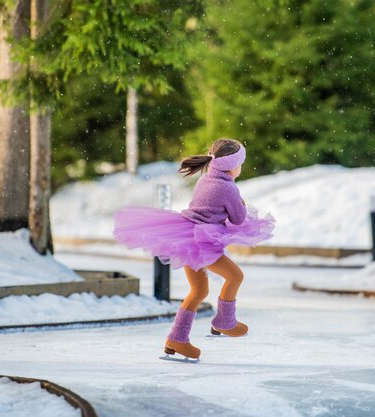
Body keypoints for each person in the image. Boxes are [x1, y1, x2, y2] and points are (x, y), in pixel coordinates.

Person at [114, 138, 274, 359]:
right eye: (241, 163)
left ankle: (176, 340)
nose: (241, 168)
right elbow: (237, 219)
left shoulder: (206, 179)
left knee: (198, 291)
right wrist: (242, 204)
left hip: (188, 237)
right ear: (232, 166)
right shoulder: (228, 187)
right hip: (203, 242)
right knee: (235, 277)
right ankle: (225, 322)